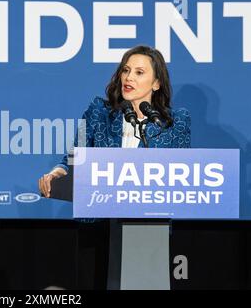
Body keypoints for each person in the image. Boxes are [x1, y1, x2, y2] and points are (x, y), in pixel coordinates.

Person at [39, 45, 191, 197]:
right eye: (126, 70)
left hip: (150, 216)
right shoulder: (98, 112)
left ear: (156, 83)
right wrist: (55, 174)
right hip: (100, 214)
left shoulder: (174, 122)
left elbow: (183, 177)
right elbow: (72, 161)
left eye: (139, 72)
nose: (129, 77)